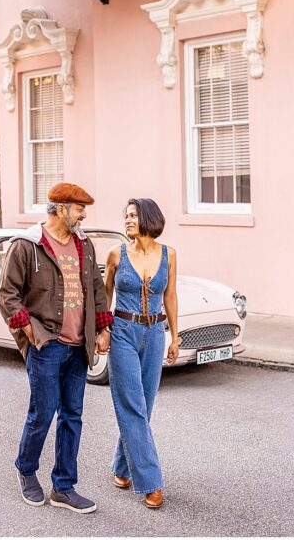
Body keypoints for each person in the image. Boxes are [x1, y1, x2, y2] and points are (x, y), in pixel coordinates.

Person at [0, 182, 113, 514]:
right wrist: (29, 331)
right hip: (46, 344)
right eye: (79, 208)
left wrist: (103, 327)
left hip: (79, 347)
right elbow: (6, 294)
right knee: (43, 413)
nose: (84, 214)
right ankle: (26, 468)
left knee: (72, 416)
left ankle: (63, 486)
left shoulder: (83, 244)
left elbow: (95, 287)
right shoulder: (27, 245)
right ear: (61, 210)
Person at [104, 198, 180, 509]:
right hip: (122, 330)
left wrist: (175, 336)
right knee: (132, 405)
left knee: (144, 405)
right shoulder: (115, 254)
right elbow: (104, 294)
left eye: (133, 215)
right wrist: (101, 331)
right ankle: (151, 481)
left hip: (155, 334)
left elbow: (171, 295)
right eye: (126, 216)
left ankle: (122, 467)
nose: (128, 220)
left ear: (148, 218)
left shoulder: (169, 254)